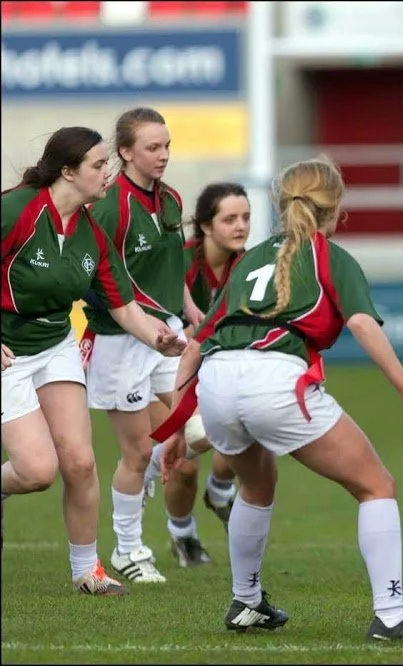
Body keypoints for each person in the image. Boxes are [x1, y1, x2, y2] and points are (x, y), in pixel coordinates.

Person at [153, 156, 403, 642]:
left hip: (218, 379)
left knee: (257, 484)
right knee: (376, 486)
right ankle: (391, 616)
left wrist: (175, 432)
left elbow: (195, 347)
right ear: (335, 207)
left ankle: (246, 602)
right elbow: (361, 322)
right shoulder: (327, 255)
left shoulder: (249, 258)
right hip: (273, 379)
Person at [0, 126, 185, 594]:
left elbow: (123, 306)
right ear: (68, 171)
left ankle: (88, 572)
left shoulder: (91, 233)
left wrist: (158, 338)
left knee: (80, 463)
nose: (108, 174)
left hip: (55, 343)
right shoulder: (15, 210)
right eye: (99, 165)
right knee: (37, 472)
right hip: (7, 350)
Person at [82, 106, 214, 581]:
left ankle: (150, 474)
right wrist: (144, 324)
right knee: (136, 452)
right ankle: (128, 551)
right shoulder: (109, 206)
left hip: (168, 333)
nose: (163, 155)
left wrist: (189, 307)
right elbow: (94, 280)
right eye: (152, 147)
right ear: (125, 152)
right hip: (120, 342)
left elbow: (170, 265)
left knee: (204, 428)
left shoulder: (171, 198)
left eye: (167, 146)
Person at [144, 182, 250, 534]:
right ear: (205, 225)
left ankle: (219, 491)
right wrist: (200, 333)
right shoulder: (181, 261)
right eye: (229, 219)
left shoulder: (249, 265)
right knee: (185, 465)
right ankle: (182, 532)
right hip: (163, 365)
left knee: (250, 421)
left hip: (213, 368)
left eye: (246, 217)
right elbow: (160, 327)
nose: (240, 226)